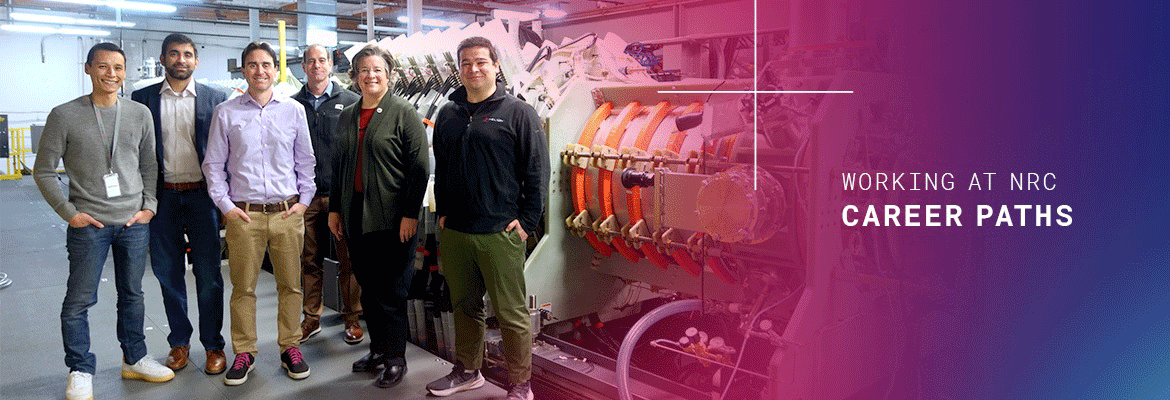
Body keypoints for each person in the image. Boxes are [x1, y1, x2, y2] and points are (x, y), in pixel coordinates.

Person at [34, 42, 175, 400]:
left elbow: (149, 166)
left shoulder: (140, 114)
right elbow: (44, 171)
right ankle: (80, 368)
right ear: (88, 69)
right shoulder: (64, 115)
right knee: (79, 300)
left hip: (133, 222)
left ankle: (135, 357)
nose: (111, 74)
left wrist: (149, 207)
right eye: (103, 67)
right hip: (89, 225)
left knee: (133, 295)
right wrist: (70, 214)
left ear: (125, 72)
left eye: (118, 67)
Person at [426, 36, 549, 400]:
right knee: (464, 305)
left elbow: (536, 172)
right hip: (457, 231)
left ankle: (521, 384)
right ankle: (467, 370)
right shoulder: (448, 113)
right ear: (458, 69)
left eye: (481, 61)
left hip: (500, 232)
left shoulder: (518, 112)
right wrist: (443, 213)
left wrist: (527, 223)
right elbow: (444, 168)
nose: (473, 69)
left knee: (511, 313)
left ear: (496, 66)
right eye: (466, 63)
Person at [202, 41, 316, 386]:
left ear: (275, 69)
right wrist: (227, 207)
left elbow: (306, 162)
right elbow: (213, 165)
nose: (260, 70)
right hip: (245, 217)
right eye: (252, 64)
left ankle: (290, 346)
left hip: (286, 214)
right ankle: (245, 352)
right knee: (243, 288)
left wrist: (303, 202)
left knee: (290, 286)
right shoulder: (227, 112)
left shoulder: (293, 110)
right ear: (244, 70)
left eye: (266, 64)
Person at [328, 44, 429, 389]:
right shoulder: (348, 114)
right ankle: (377, 350)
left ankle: (396, 358)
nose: (370, 75)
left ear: (389, 75)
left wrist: (409, 214)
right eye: (364, 70)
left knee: (391, 290)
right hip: (356, 215)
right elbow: (339, 164)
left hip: (392, 219)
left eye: (377, 70)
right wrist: (334, 209)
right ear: (355, 76)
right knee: (368, 289)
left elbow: (419, 167)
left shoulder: (404, 112)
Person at [131, 33, 229, 375]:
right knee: (167, 272)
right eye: (174, 54)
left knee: (208, 274)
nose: (181, 60)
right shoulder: (142, 99)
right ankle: (179, 342)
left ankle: (214, 344)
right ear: (163, 59)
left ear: (196, 61)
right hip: (163, 197)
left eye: (187, 54)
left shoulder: (216, 99)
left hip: (203, 196)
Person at [291, 44, 363, 345]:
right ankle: (311, 319)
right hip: (306, 196)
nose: (317, 66)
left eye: (322, 60)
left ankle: (352, 319)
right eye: (311, 61)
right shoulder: (293, 105)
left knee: (350, 260)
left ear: (330, 64)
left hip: (342, 196)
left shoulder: (351, 101)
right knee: (310, 260)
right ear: (304, 67)